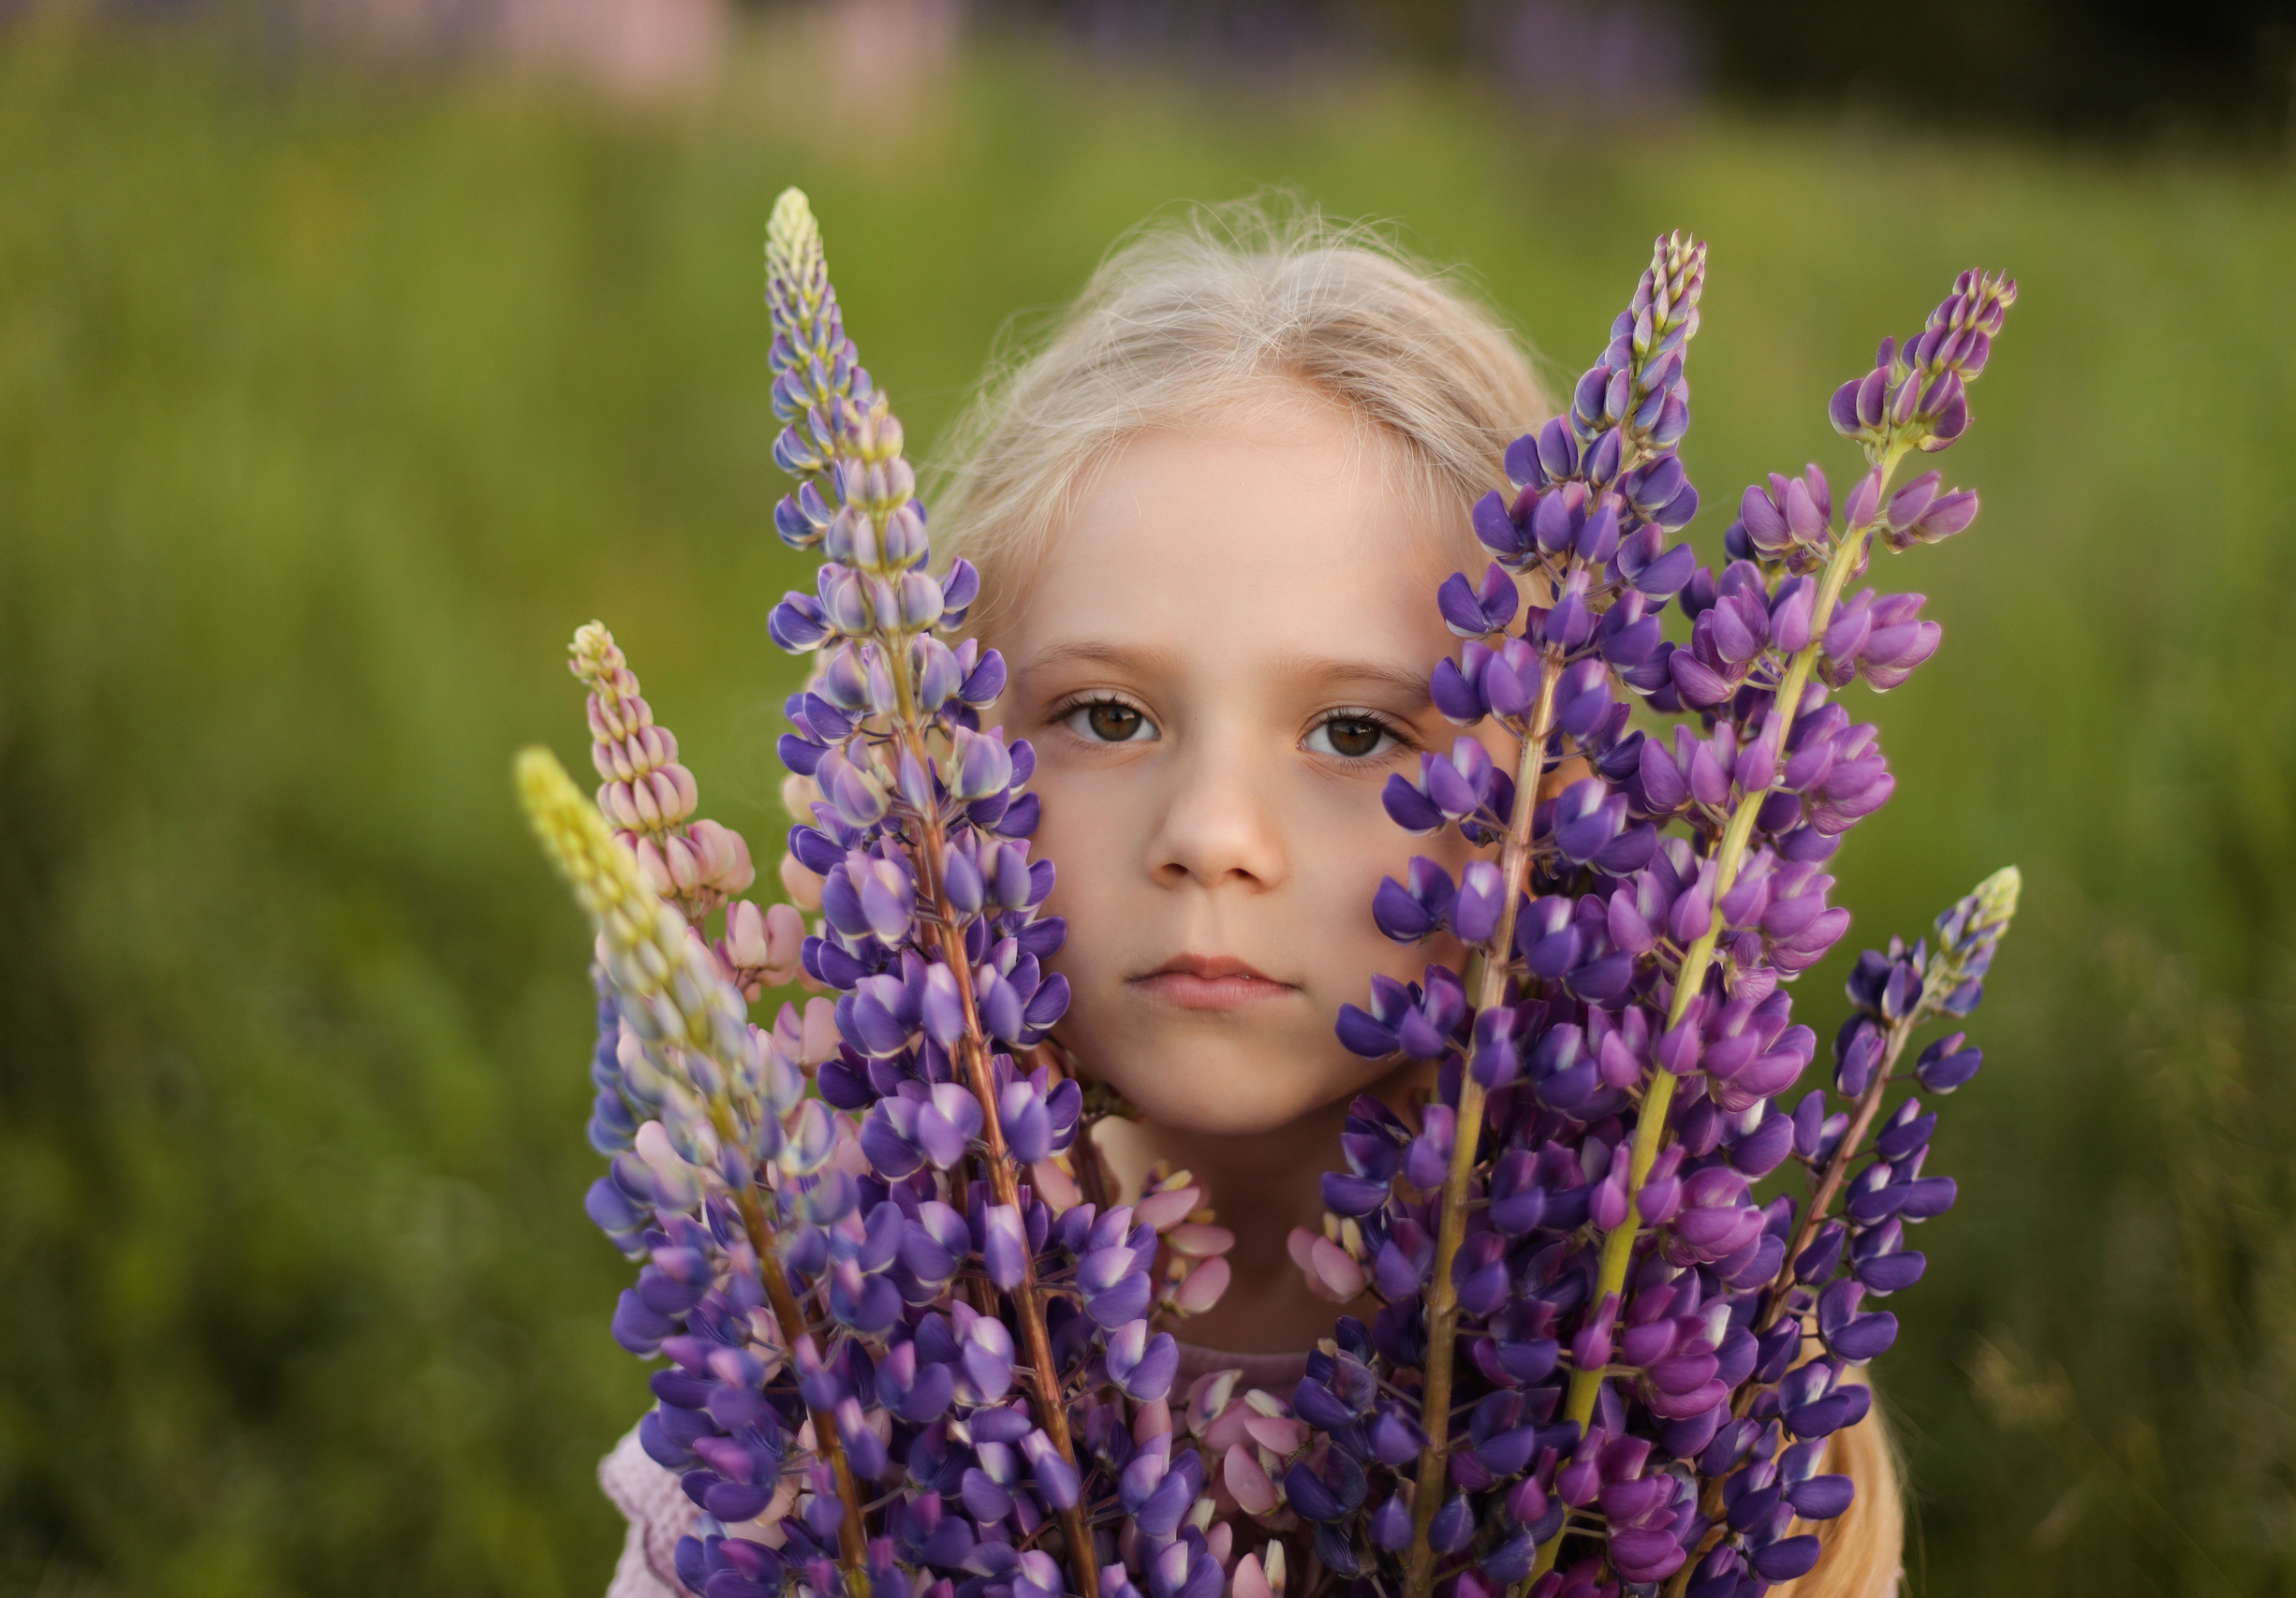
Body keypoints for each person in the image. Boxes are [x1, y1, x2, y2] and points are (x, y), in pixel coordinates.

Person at [602, 204, 1901, 1597]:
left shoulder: (1677, 1402)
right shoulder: (825, 1378)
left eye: (1355, 734)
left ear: (1556, 808)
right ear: (937, 772)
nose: (1212, 836)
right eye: (1105, 713)